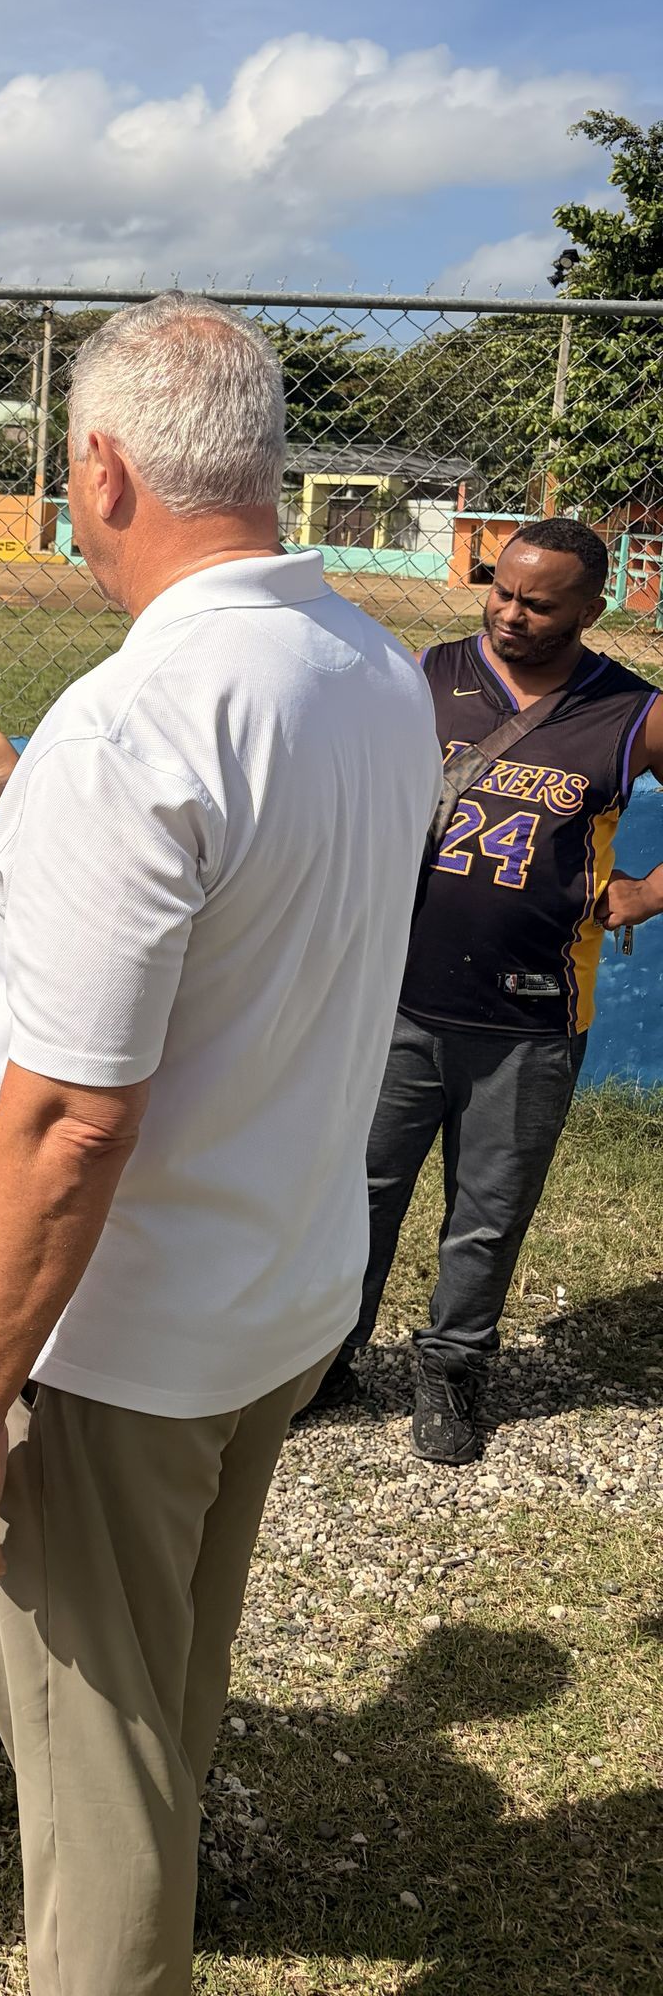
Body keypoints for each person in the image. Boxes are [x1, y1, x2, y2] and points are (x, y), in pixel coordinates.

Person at [0, 296, 439, 1996]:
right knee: (174, 1671)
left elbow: (68, 1123)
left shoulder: (139, 726)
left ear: (104, 471)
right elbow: (248, 910)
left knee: (98, 1751)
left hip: (122, 1349)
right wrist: (27, 793)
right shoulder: (369, 669)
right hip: (278, 1296)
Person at [304, 517, 663, 1462]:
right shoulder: (423, 676)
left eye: (540, 604)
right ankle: (328, 1355)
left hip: (532, 1016)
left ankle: (453, 1368)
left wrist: (643, 894)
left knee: (489, 1210)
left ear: (593, 608)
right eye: (500, 591)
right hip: (395, 997)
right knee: (361, 1193)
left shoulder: (630, 712)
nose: (510, 614)